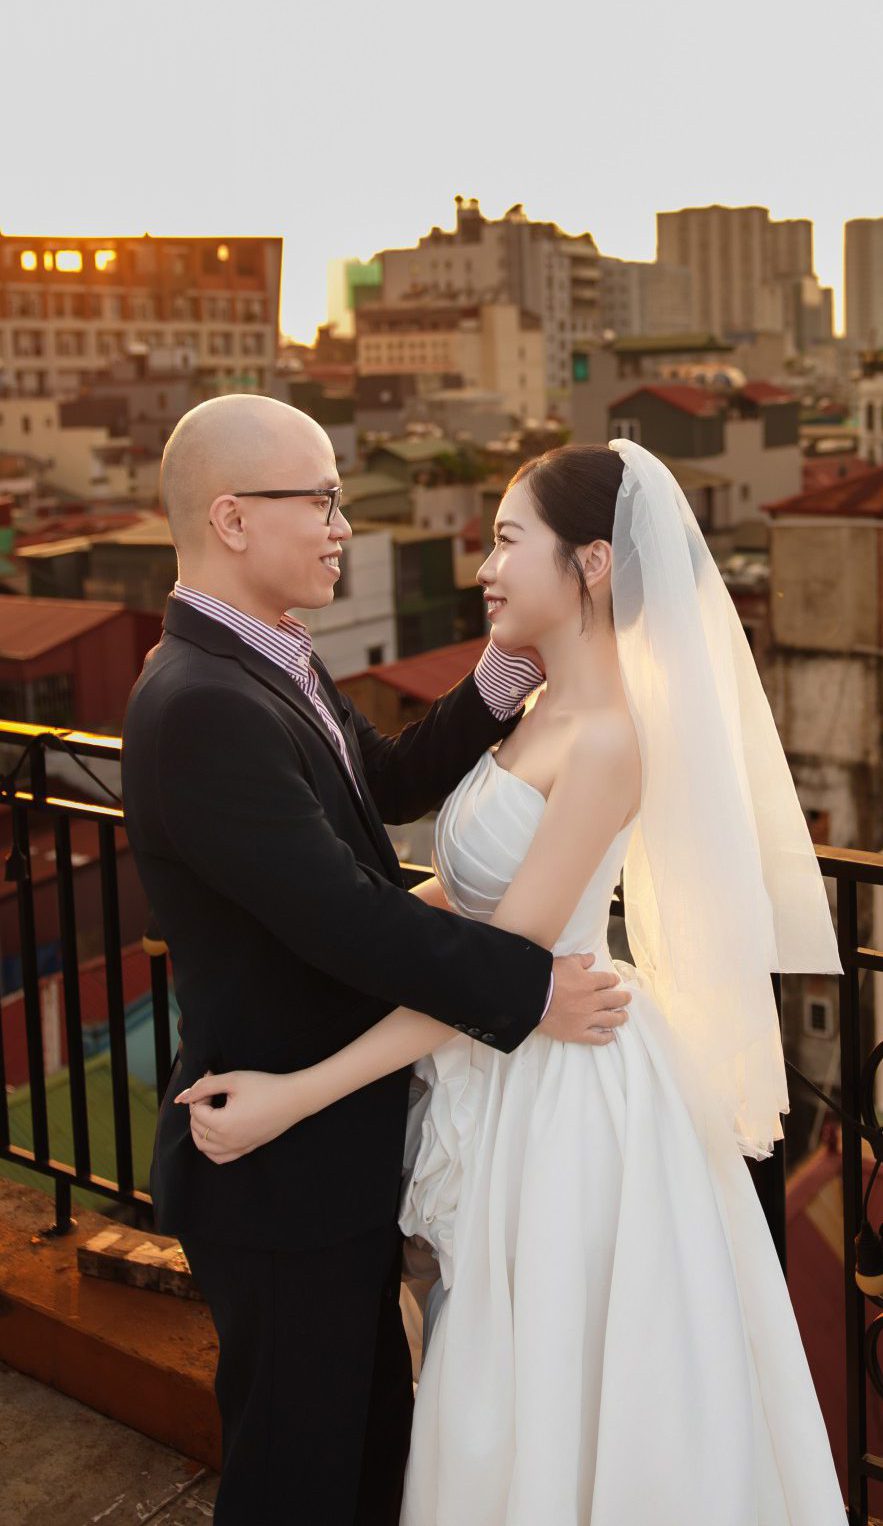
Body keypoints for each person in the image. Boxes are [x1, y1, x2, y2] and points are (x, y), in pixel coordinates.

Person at [182, 440, 848, 1523]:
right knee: (485, 1359)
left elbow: (500, 966)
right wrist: (337, 937)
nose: (484, 567)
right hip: (502, 1054)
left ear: (591, 561)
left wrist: (296, 1093)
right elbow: (461, 903)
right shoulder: (541, 712)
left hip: (563, 1088)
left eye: (505, 541)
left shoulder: (607, 740)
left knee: (540, 1374)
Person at [121, 395, 630, 1526]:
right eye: (323, 501)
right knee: (297, 1476)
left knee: (367, 1452)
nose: (342, 526)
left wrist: (504, 676)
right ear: (233, 519)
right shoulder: (200, 702)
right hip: (277, 1163)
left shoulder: (273, 661)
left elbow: (382, 786)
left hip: (330, 1148)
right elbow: (347, 916)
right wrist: (529, 985)